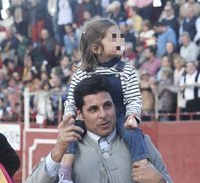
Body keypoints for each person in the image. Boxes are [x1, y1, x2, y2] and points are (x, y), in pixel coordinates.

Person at [25, 75, 173, 183]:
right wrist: (57, 152)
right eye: (93, 109)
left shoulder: (141, 143)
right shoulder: (65, 152)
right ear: (80, 114)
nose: (103, 115)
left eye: (107, 106)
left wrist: (160, 182)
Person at [60, 18, 148, 182]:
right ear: (95, 48)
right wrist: (69, 115)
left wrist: (132, 116)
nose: (120, 40)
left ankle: (141, 165)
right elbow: (72, 99)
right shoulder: (82, 72)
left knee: (133, 134)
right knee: (70, 134)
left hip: (119, 114)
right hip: (87, 119)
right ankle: (65, 171)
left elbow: (134, 98)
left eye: (120, 36)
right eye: (113, 37)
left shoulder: (126, 69)